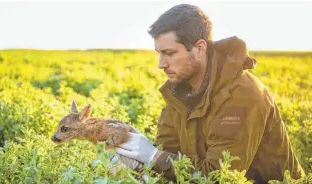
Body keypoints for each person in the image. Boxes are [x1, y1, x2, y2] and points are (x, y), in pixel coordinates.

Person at [115, 4, 306, 183]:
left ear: (199, 48)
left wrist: (152, 156)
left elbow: (219, 177)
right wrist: (141, 150)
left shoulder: (242, 95)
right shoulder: (178, 92)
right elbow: (170, 152)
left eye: (169, 53)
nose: (161, 64)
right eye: (159, 53)